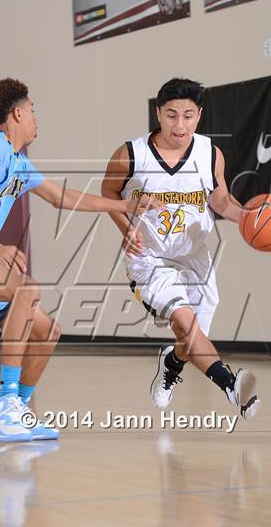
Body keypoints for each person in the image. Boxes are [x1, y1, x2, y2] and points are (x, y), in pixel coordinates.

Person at [0, 78, 160, 442]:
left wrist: (125, 205)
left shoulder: (17, 162)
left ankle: (19, 412)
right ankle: (5, 408)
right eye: (32, 111)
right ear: (16, 113)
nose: (35, 119)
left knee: (48, 331)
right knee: (27, 289)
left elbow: (62, 197)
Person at [101, 78, 261, 420]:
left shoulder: (209, 154)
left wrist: (248, 218)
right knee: (185, 323)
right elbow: (108, 194)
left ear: (199, 116)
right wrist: (126, 229)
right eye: (171, 115)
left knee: (191, 337)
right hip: (150, 258)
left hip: (194, 256)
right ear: (158, 113)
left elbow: (220, 199)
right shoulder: (132, 154)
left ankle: (170, 365)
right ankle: (232, 387)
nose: (179, 124)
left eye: (188, 116)